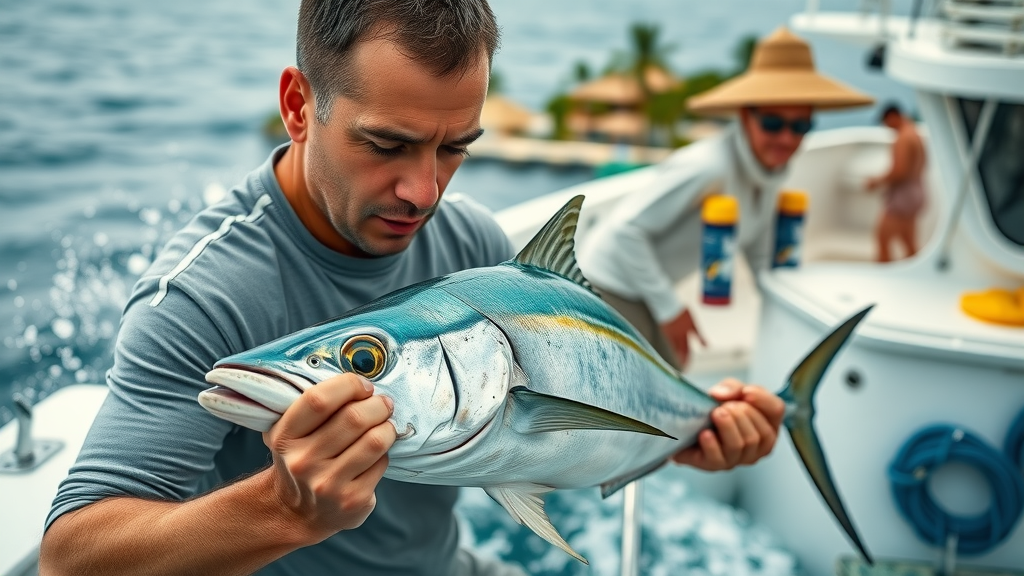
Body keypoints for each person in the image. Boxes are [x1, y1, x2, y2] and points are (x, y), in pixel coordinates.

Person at [39, 2, 786, 575]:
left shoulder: (477, 247)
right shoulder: (206, 295)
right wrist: (281, 510)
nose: (423, 191)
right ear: (300, 107)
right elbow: (71, 557)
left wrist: (676, 437)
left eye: (455, 148)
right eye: (386, 145)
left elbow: (534, 445)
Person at [577, 27, 873, 369]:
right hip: (609, 281)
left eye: (801, 126)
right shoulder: (709, 167)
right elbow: (624, 232)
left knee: (673, 371)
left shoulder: (770, 171)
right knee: (650, 382)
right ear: (746, 116)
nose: (787, 139)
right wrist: (672, 311)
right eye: (774, 123)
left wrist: (796, 308)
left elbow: (759, 251)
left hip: (647, 288)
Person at [865, 102, 927, 263]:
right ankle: (915, 278)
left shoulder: (903, 138)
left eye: (886, 122)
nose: (886, 127)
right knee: (909, 242)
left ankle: (882, 279)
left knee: (882, 239)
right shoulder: (915, 133)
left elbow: (899, 171)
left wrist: (875, 182)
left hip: (903, 196)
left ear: (893, 117)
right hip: (916, 192)